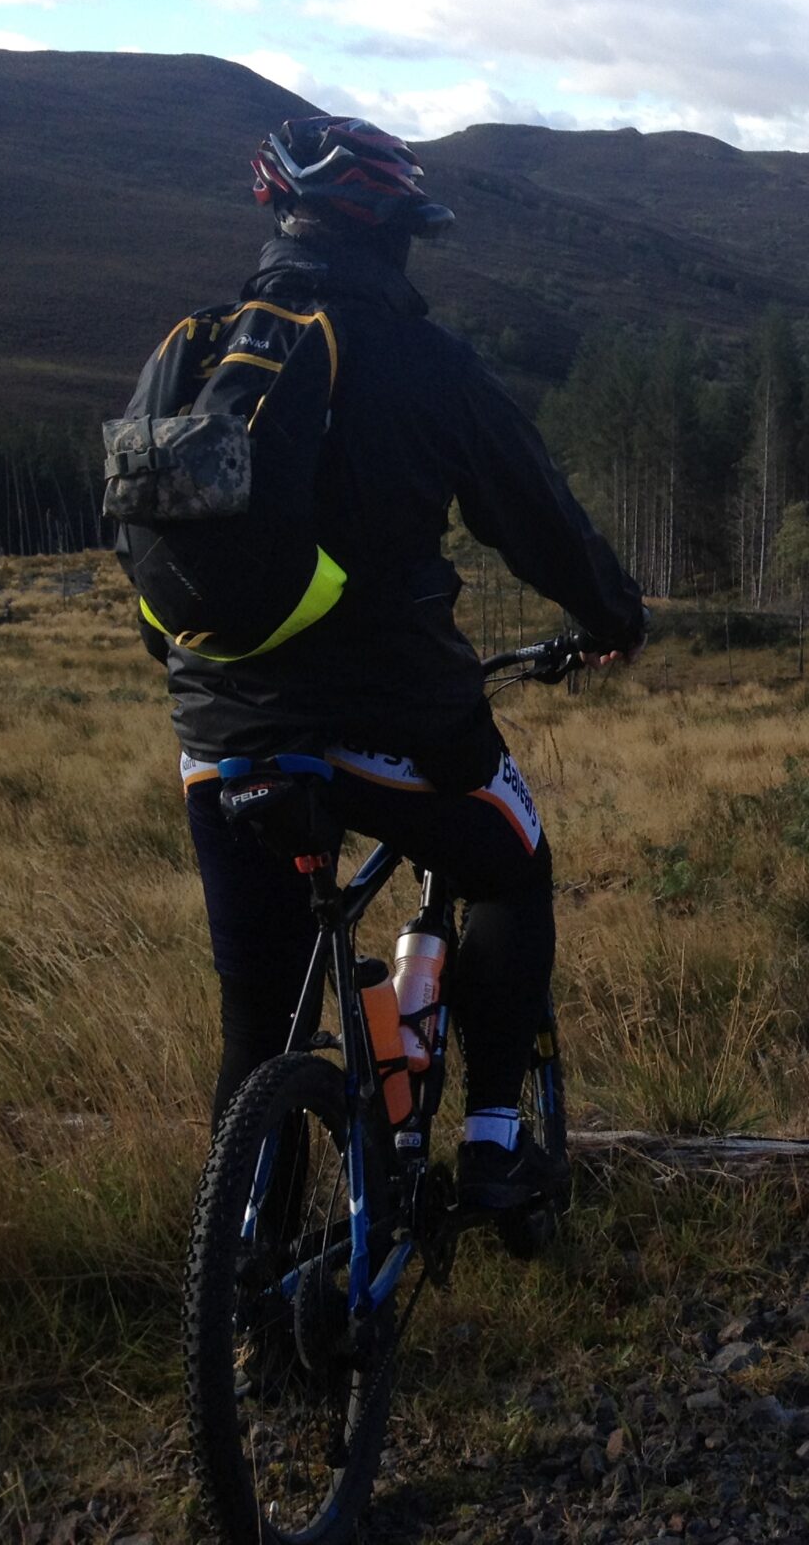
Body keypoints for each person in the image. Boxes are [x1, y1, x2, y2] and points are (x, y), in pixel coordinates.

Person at [144, 115, 646, 1212]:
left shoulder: (193, 347)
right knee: (512, 866)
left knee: (259, 1019)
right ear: (394, 236)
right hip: (396, 720)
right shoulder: (424, 361)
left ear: (280, 214)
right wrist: (613, 613)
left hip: (219, 739)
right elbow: (536, 515)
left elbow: (149, 542)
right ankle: (498, 1140)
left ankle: (254, 1316)